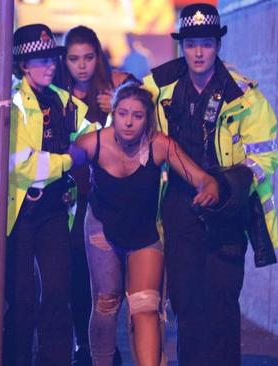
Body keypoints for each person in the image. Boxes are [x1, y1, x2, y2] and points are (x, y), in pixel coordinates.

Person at [142, 4, 278, 365]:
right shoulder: (159, 87)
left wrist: (225, 186)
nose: (198, 52)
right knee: (185, 302)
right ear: (182, 47)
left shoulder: (244, 96)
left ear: (218, 45)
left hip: (227, 209)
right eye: (191, 44)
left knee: (221, 302)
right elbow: (129, 114)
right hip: (179, 206)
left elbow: (264, 160)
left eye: (206, 43)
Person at [0, 23, 93, 366]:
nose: (50, 65)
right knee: (20, 301)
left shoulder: (64, 100)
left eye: (51, 57)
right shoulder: (7, 107)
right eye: (40, 59)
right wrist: (68, 159)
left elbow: (94, 135)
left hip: (54, 211)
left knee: (57, 295)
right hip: (18, 213)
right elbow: (18, 165)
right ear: (23, 65)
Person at [70, 83, 219, 366]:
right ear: (114, 113)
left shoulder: (159, 144)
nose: (128, 121)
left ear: (147, 118)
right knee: (107, 302)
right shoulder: (94, 143)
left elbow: (199, 177)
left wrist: (209, 186)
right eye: (123, 113)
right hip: (102, 227)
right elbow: (62, 162)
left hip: (142, 232)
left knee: (146, 306)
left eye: (137, 116)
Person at [55, 25, 138, 366]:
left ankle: (107, 347)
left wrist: (116, 103)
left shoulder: (118, 85)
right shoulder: (57, 94)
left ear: (98, 57)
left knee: (114, 282)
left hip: (116, 195)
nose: (82, 66)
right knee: (77, 273)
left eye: (88, 57)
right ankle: (84, 345)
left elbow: (143, 124)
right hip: (74, 197)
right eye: (74, 58)